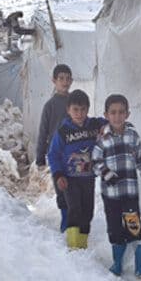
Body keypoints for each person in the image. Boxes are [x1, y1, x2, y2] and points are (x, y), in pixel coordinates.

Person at [92, 94, 141, 277]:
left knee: (134, 226)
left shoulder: (133, 136)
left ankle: (139, 264)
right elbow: (95, 161)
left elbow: (139, 157)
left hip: (130, 192)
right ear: (106, 115)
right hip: (111, 195)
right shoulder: (103, 139)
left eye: (121, 112)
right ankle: (117, 263)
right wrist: (106, 173)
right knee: (115, 228)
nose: (117, 116)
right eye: (113, 112)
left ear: (127, 114)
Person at [47, 89, 107, 249]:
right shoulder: (63, 132)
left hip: (88, 178)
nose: (79, 114)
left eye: (83, 109)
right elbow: (53, 154)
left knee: (88, 211)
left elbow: (109, 121)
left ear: (88, 109)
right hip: (70, 178)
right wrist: (58, 175)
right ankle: (73, 246)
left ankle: (82, 244)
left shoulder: (94, 125)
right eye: (75, 109)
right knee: (74, 209)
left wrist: (105, 126)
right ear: (68, 110)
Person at [36, 64, 73, 232]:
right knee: (61, 186)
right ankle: (65, 218)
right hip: (56, 154)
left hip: (74, 152)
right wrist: (40, 156)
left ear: (72, 80)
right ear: (54, 81)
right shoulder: (50, 105)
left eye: (68, 78)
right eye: (61, 78)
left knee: (74, 185)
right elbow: (43, 131)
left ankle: (74, 217)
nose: (65, 82)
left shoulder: (75, 102)